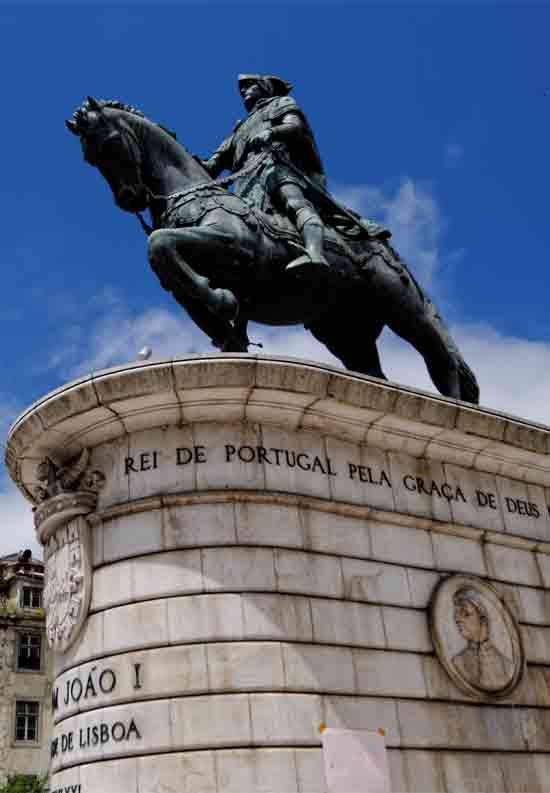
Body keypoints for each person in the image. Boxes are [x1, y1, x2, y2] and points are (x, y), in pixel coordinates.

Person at [201, 74, 331, 273]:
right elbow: (211, 166)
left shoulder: (280, 103)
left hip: (275, 167)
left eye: (248, 85)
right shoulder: (239, 130)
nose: (243, 91)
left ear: (263, 87)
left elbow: (295, 126)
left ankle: (315, 252)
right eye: (241, 89)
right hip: (244, 185)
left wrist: (271, 132)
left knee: (294, 202)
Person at [452, 588, 514, 692]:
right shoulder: (457, 662)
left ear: (483, 618)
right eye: (457, 614)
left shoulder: (507, 666)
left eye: (465, 613)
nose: (458, 619)